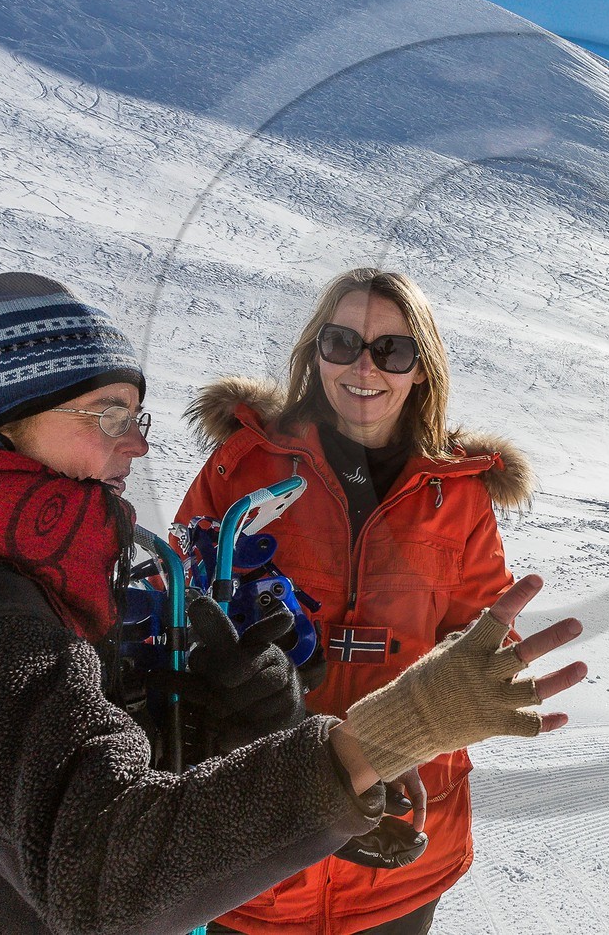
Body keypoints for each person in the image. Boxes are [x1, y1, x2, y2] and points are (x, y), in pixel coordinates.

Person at [0, 272, 584, 935]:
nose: (141, 443)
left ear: (421, 366)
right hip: (259, 862)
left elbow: (79, 727)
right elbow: (107, 866)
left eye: (393, 348)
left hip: (377, 829)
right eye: (106, 414)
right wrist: (378, 733)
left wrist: (216, 719)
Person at [178, 267, 534, 935]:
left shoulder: (457, 493)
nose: (363, 367)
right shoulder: (245, 464)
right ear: (316, 353)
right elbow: (180, 608)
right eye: (340, 343)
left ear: (421, 369)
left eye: (391, 351)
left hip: (399, 852)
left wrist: (467, 670)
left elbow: (486, 640)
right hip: (254, 847)